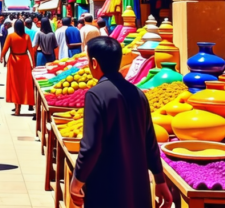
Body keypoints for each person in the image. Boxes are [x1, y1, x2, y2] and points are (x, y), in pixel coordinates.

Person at [70, 37, 172, 208]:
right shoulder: (138, 94)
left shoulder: (95, 95)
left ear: (94, 63)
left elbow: (91, 146)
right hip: (137, 189)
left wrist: (77, 180)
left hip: (106, 188)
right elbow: (150, 142)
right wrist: (159, 180)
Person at [0, 20, 34, 116]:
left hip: (14, 60)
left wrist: (2, 57)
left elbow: (5, 48)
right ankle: (25, 104)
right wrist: (33, 63)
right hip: (24, 60)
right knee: (24, 83)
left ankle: (17, 109)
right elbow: (31, 51)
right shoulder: (26, 37)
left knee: (14, 83)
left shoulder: (11, 36)